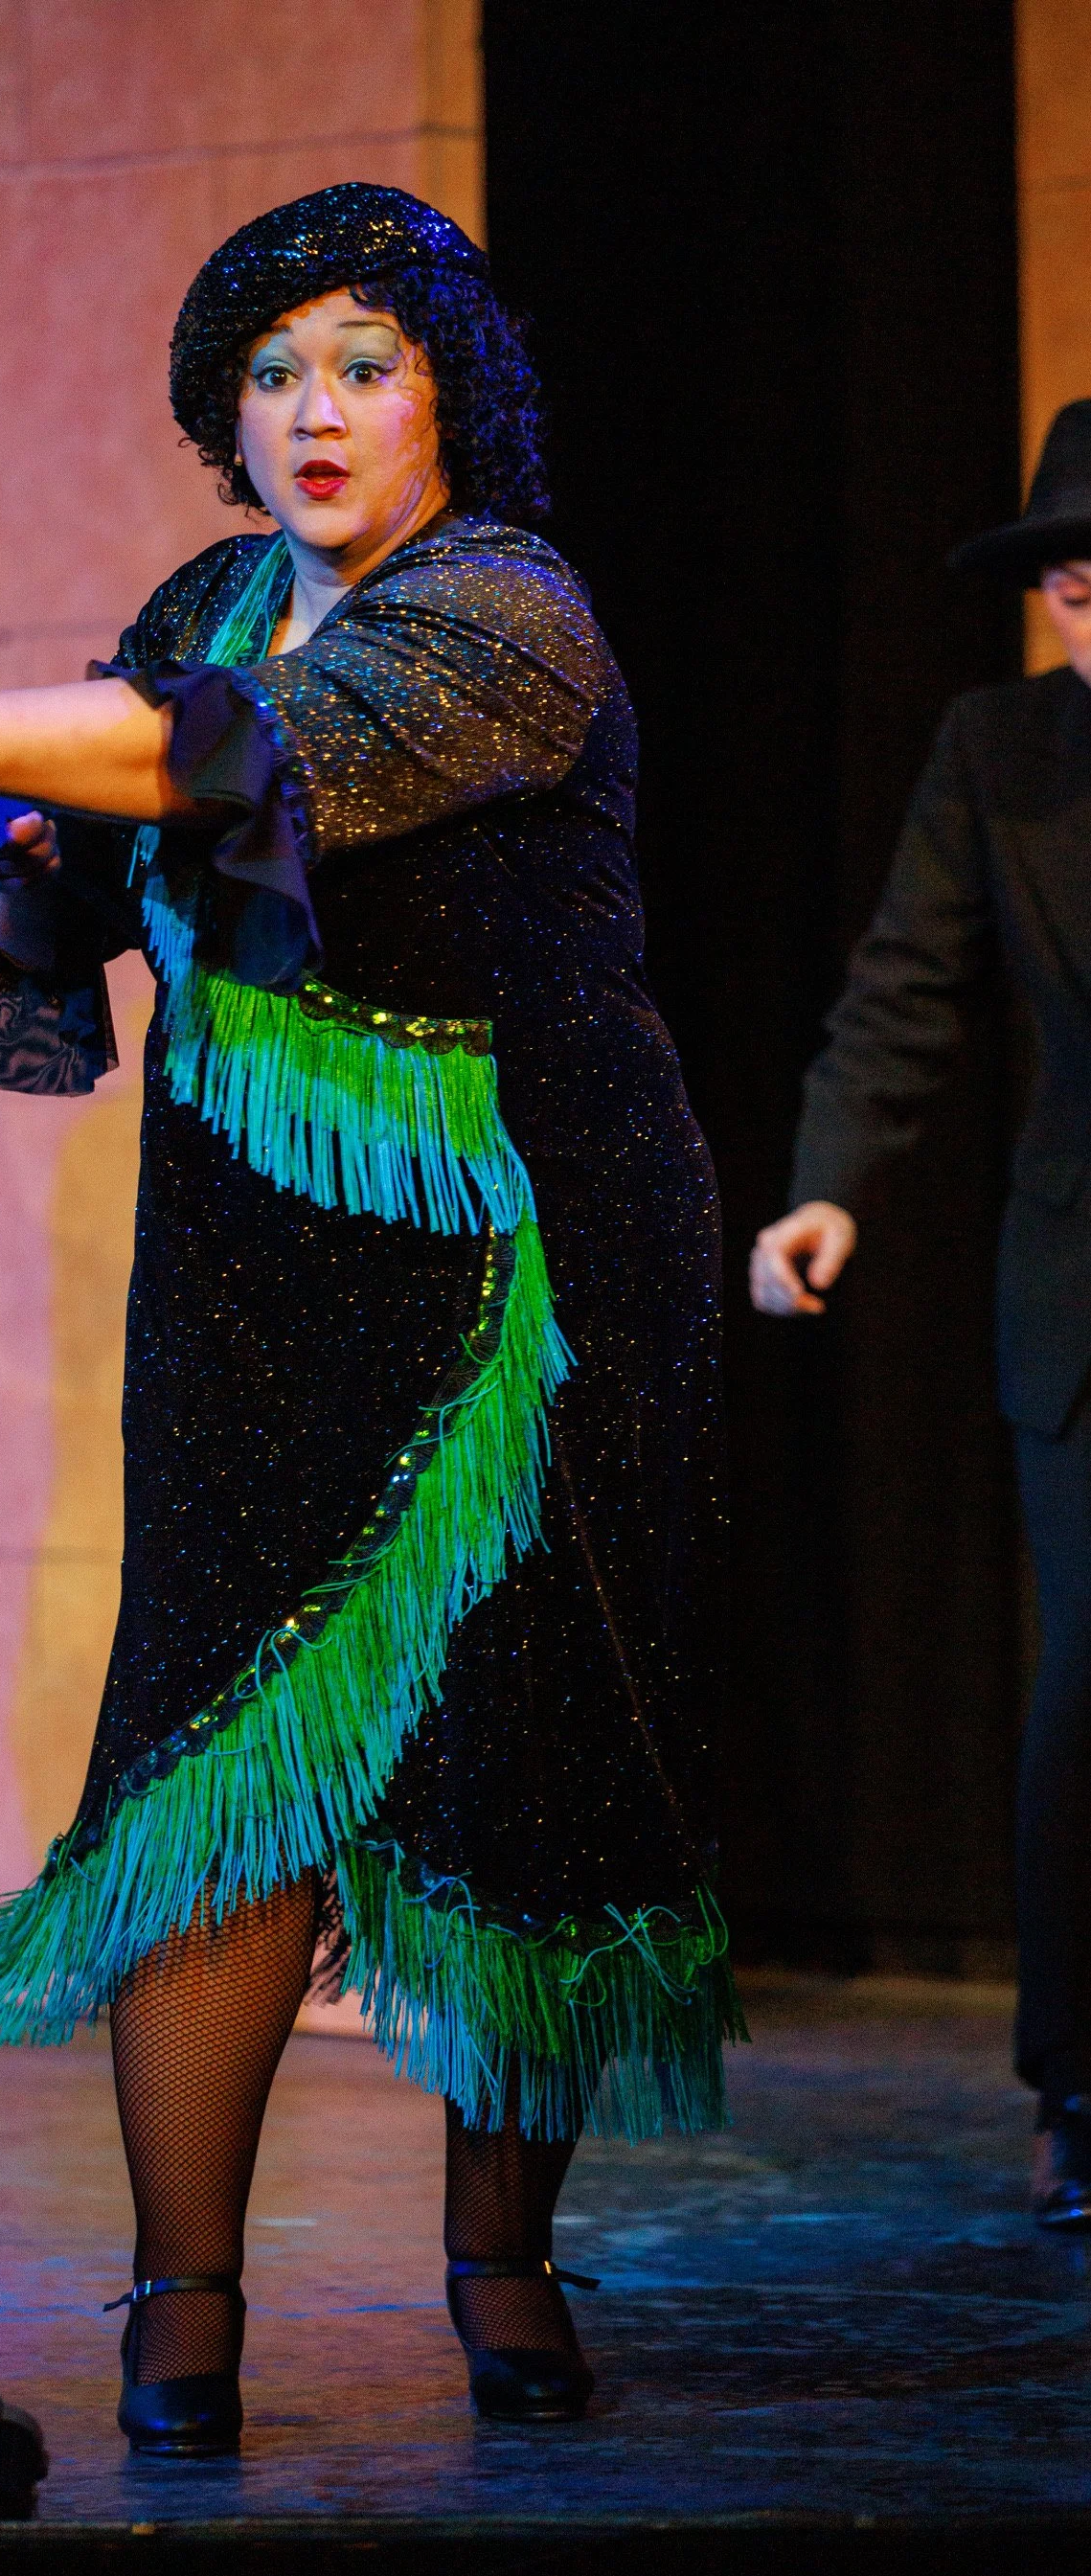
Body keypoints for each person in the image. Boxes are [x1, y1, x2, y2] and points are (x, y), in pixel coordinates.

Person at [0, 184, 739, 2451]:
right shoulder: (205, 600)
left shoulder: (506, 608)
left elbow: (238, 757)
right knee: (211, 1755)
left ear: (444, 399)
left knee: (528, 1747)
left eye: (362, 366)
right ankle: (174, 2310)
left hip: (537, 1248)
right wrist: (1, 835)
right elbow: (110, 836)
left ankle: (499, 2264)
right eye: (273, 369)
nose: (312, 410)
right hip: (254, 1258)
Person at [749, 399, 1091, 2234]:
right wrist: (830, 1183)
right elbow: (904, 988)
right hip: (1083, 1293)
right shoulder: (1003, 753)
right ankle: (1079, 2080)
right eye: (1074, 593)